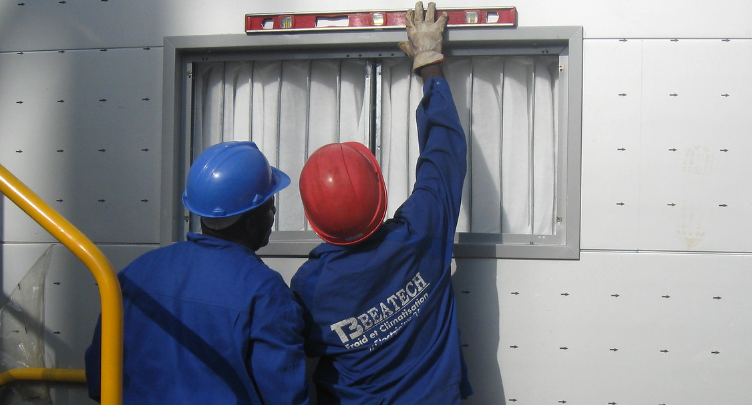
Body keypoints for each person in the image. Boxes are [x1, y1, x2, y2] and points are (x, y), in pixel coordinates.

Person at [290, 2, 472, 403]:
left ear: (313, 216)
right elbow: (445, 155)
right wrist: (430, 64)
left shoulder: (310, 286)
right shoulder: (421, 230)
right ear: (380, 191)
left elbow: (303, 351)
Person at [84, 141, 309, 405]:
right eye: (270, 206)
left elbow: (99, 377)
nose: (272, 213)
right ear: (251, 222)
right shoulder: (266, 292)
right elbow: (284, 395)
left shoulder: (134, 273)